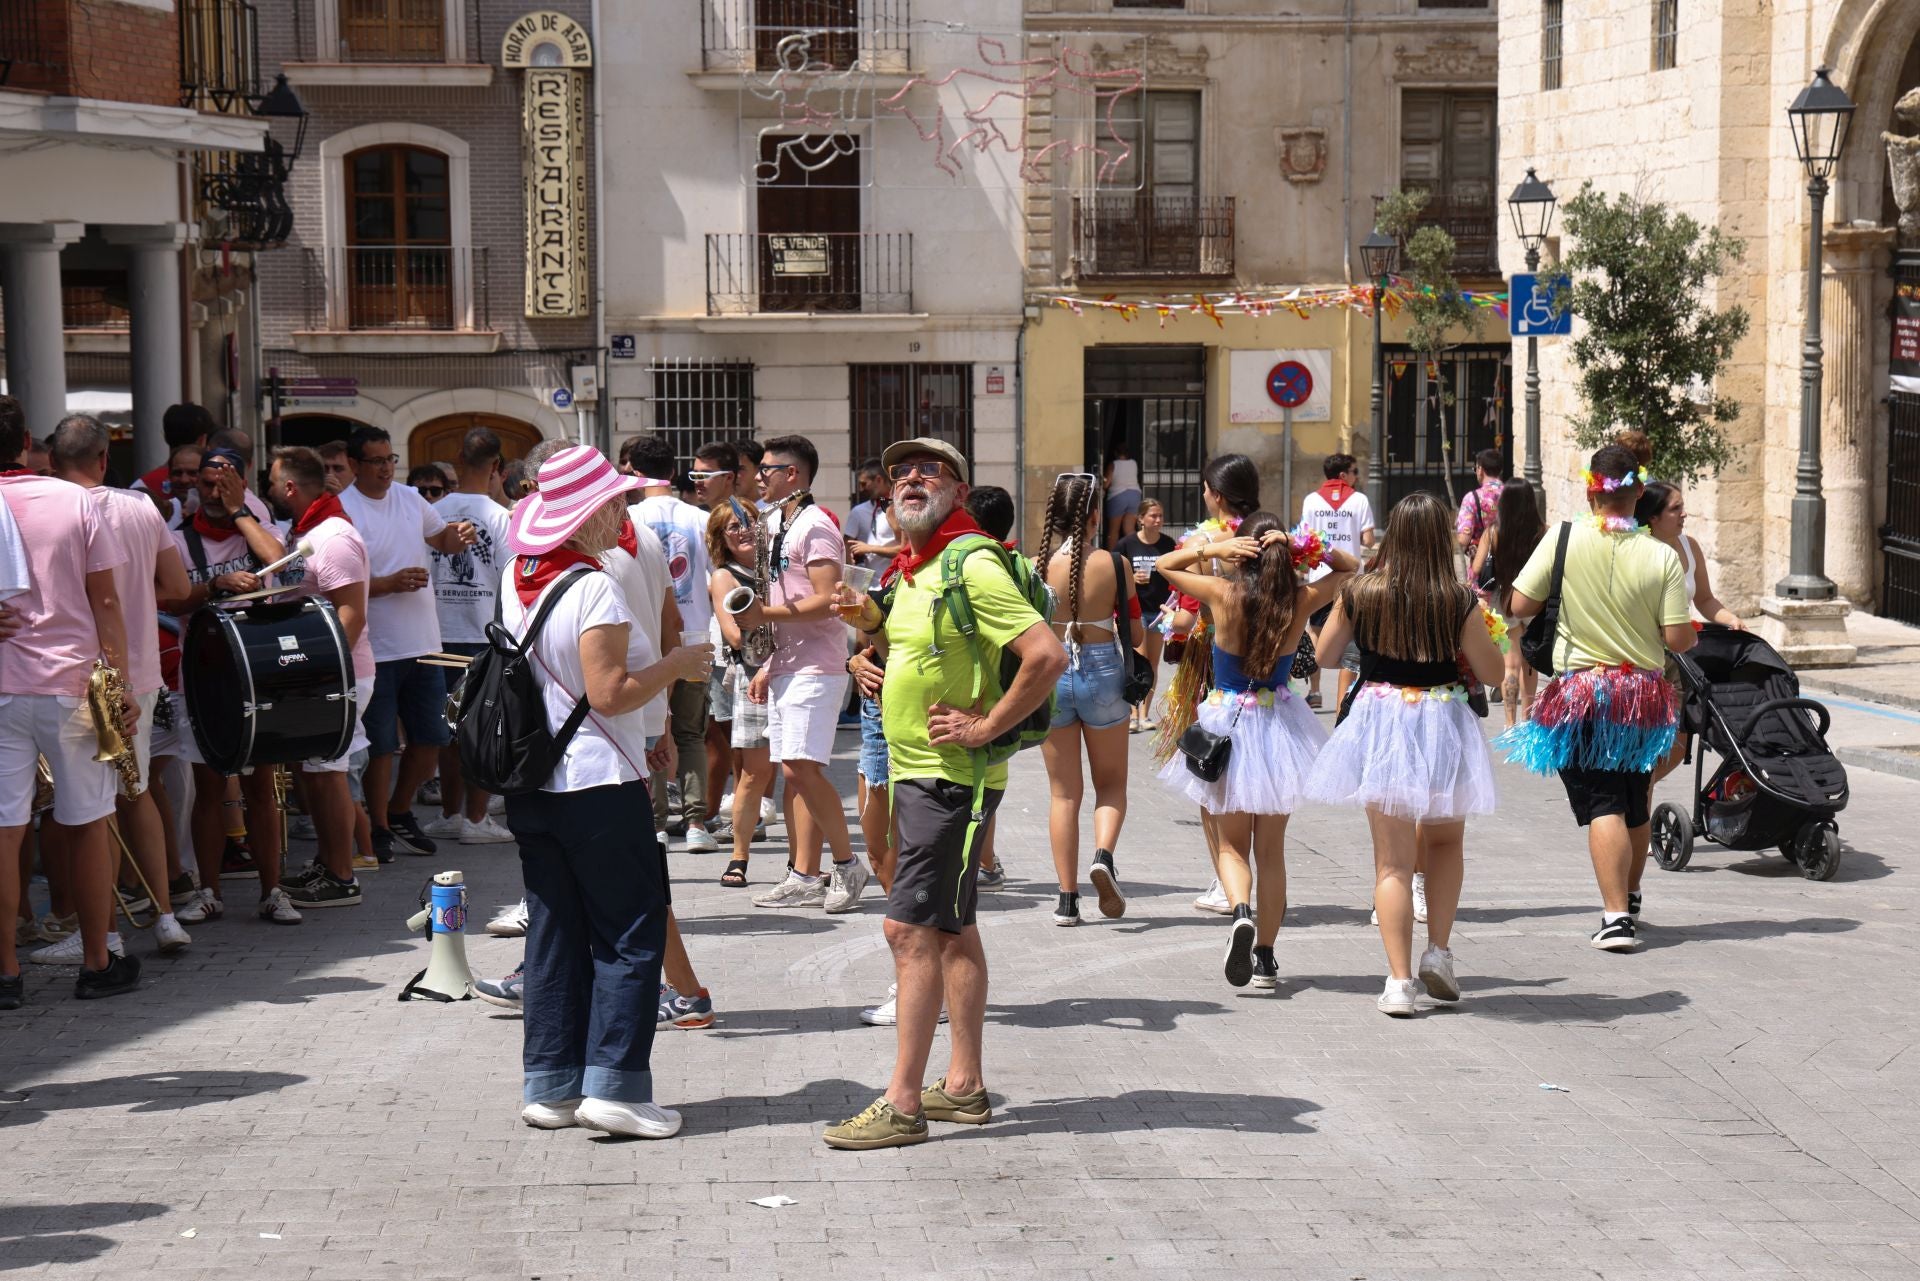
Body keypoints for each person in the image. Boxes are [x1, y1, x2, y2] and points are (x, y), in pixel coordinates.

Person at [824, 438, 1066, 1149]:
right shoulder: (917, 567)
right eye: (900, 471)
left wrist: (986, 723)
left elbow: (1046, 655)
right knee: (953, 928)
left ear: (959, 492)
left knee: (908, 930)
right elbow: (909, 642)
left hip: (949, 779)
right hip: (916, 774)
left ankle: (903, 1102)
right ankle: (962, 1086)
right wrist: (865, 644)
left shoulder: (972, 561)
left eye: (931, 471)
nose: (911, 478)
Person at [497, 445, 711, 1138]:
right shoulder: (594, 586)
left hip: (536, 781)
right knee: (628, 929)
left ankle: (552, 1084)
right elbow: (610, 692)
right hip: (598, 779)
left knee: (555, 930)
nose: (622, 509)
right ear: (594, 511)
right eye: (614, 500)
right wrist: (677, 663)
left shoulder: (515, 576)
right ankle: (616, 1086)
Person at [1308, 493, 1504, 1015]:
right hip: (1442, 717)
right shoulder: (1456, 598)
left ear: (1392, 533)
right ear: (1441, 538)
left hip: (1381, 716)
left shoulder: (1362, 592)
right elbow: (1493, 674)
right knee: (1444, 844)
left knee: (1391, 863)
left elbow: (1325, 655)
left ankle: (1398, 982)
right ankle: (1438, 951)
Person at [1499, 445, 1696, 953]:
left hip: (1583, 694)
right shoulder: (1662, 555)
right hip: (1642, 697)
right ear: (1638, 493)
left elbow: (1519, 605)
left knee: (1603, 802)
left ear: (1592, 490)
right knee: (1633, 801)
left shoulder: (1562, 538)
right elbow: (1678, 639)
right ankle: (1629, 898)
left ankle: (1615, 919)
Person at [1155, 511, 1354, 987]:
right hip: (1279, 726)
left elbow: (1164, 564)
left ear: (1242, 553)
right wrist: (1307, 546)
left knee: (1230, 845)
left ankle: (1240, 910)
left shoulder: (1223, 594)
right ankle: (1265, 956)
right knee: (1273, 852)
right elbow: (1349, 569)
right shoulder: (1300, 600)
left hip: (1228, 722)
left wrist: (1210, 550)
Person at [0, 396, 140, 1006]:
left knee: (5, 831)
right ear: (29, 440)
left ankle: (5, 971)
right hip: (70, 684)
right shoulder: (76, 499)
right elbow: (105, 601)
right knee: (87, 823)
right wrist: (124, 682)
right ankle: (96, 958)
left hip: (4, 688)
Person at [39, 417, 193, 958]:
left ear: (54, 461)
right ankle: (166, 916)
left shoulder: (49, 508)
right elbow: (177, 587)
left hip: (70, 671)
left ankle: (98, 933)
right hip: (137, 673)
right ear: (105, 459)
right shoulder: (140, 506)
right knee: (136, 791)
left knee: (87, 805)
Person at [168, 445, 299, 923]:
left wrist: (240, 511)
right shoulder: (179, 540)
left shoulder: (258, 531)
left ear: (244, 484)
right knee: (210, 788)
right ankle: (208, 891)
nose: (214, 491)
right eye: (206, 483)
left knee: (261, 786)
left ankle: (272, 891)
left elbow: (278, 564)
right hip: (202, 679)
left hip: (256, 675)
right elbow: (167, 598)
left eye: (225, 480)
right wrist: (214, 587)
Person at [339, 427, 478, 862]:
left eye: (390, 459)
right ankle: (379, 825)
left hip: (422, 642)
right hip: (374, 647)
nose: (385, 468)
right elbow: (337, 584)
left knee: (433, 737)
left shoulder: (409, 499)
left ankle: (400, 811)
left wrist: (459, 536)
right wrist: (385, 585)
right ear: (356, 464)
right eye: (376, 461)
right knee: (381, 746)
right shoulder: (342, 509)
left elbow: (441, 539)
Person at [743, 435, 868, 913]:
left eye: (767, 469)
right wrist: (771, 662)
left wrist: (764, 617)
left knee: (801, 768)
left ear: (792, 474)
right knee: (795, 774)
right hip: (790, 664)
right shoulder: (778, 521)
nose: (759, 476)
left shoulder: (814, 525)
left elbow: (826, 598)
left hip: (817, 665)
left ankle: (847, 864)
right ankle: (803, 874)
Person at [260, 448, 378, 911]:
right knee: (319, 770)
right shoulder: (309, 530)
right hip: (325, 673)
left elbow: (351, 613)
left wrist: (319, 674)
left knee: (328, 772)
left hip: (338, 674)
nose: (268, 490)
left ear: (290, 487)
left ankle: (341, 876)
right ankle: (330, 864)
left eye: (271, 482)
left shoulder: (335, 537)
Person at [1155, 454, 1261, 917]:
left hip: (1211, 663)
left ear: (1214, 494)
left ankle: (1225, 878)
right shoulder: (1266, 532)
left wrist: (1166, 625)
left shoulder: (1202, 542)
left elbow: (1186, 612)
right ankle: (1246, 872)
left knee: (1208, 768)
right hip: (1262, 665)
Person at [1036, 474, 1140, 927]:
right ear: (1096, 515)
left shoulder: (1035, 565)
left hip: (1053, 673)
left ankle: (1066, 899)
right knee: (1112, 784)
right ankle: (1103, 855)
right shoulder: (1114, 564)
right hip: (1102, 670)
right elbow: (1135, 633)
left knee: (1063, 794)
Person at [623, 436, 717, 854]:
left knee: (650, 729)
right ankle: (696, 822)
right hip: (694, 638)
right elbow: (717, 580)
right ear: (674, 471)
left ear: (632, 472)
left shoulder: (626, 518)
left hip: (645, 641)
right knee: (691, 731)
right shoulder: (699, 518)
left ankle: (656, 821)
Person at [423, 429, 515, 846]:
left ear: (458, 457)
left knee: (448, 729)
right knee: (481, 729)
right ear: (498, 466)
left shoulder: (435, 510)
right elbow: (510, 581)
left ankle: (450, 813)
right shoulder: (501, 518)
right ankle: (475, 820)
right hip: (482, 636)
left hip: (436, 633)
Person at [1635, 480, 1746, 791]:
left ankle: (1635, 794)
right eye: (1676, 509)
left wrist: (1730, 619)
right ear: (1653, 518)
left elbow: (1705, 600)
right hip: (1646, 657)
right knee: (1650, 742)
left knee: (1678, 742)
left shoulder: (1689, 546)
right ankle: (1636, 808)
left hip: (1681, 655)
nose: (1685, 514)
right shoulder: (1639, 550)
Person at [706, 501, 773, 888]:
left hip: (791, 672)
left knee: (801, 771)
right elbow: (733, 634)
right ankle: (739, 856)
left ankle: (803, 862)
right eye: (733, 527)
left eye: (748, 522)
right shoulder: (724, 576)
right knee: (753, 774)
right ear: (722, 539)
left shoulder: (777, 563)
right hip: (751, 677)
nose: (743, 530)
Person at [1298, 454, 1377, 710]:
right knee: (1354, 638)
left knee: (1317, 635)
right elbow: (1368, 540)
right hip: (1352, 580)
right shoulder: (1360, 500)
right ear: (1343, 475)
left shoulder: (1311, 500)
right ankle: (1350, 694)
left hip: (1321, 577)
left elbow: (1305, 539)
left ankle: (1316, 690)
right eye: (1354, 471)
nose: (1357, 476)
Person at [1470, 477, 1548, 728]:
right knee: (1529, 662)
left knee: (1510, 663)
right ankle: (1528, 718)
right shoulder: (1542, 532)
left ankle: (1509, 722)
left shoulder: (1493, 532)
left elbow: (1477, 568)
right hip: (1534, 599)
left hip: (1504, 600)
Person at [1115, 496, 1173, 732]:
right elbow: (1115, 572)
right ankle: (1132, 714)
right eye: (1153, 516)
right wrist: (1132, 579)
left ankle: (1145, 715)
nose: (1158, 520)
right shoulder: (1127, 544)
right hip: (1136, 611)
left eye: (1160, 516)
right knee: (1136, 661)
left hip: (1159, 611)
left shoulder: (1168, 545)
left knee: (1152, 663)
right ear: (1141, 519)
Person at [844, 457, 899, 574]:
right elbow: (847, 544)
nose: (861, 489)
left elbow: (905, 549)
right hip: (866, 585)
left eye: (864, 484)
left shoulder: (900, 508)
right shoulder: (858, 511)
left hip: (893, 582)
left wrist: (870, 548)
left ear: (879, 480)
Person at [1455, 447, 1507, 554]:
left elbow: (1463, 539)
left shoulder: (1471, 498)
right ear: (1500, 470)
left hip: (1482, 563)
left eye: (1476, 469)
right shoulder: (1512, 494)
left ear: (1480, 470)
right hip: (1509, 560)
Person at [1103, 440, 1142, 546]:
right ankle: (1135, 554)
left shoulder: (1113, 464)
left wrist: (1102, 480)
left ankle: (1112, 558)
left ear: (1115, 453)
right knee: (1129, 530)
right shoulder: (1134, 463)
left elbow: (1106, 484)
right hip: (1134, 495)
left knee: (1113, 531)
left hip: (1118, 496)